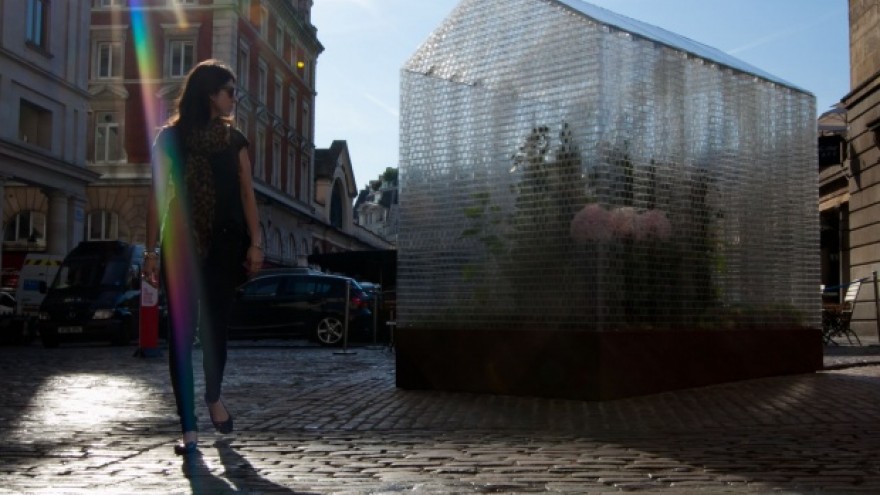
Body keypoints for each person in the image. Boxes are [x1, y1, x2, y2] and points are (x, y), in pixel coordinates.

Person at [144, 59, 263, 455]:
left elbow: (248, 195)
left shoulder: (235, 142)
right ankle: (189, 429)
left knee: (214, 331)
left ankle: (213, 396)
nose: (234, 98)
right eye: (230, 91)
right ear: (211, 94)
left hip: (225, 244)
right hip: (180, 244)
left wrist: (256, 241)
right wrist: (150, 251)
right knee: (180, 335)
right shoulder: (170, 139)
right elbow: (157, 196)